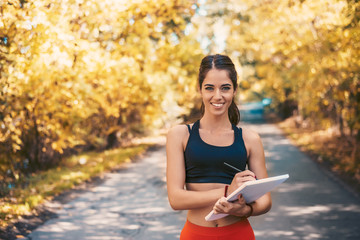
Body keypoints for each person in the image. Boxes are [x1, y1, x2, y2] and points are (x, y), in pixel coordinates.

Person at [166, 54, 272, 240]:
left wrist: (245, 210)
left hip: (239, 234)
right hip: (196, 235)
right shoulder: (180, 135)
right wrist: (227, 191)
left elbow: (265, 201)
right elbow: (175, 199)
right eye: (209, 88)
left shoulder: (250, 139)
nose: (217, 96)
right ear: (199, 89)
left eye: (225, 88)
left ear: (234, 90)